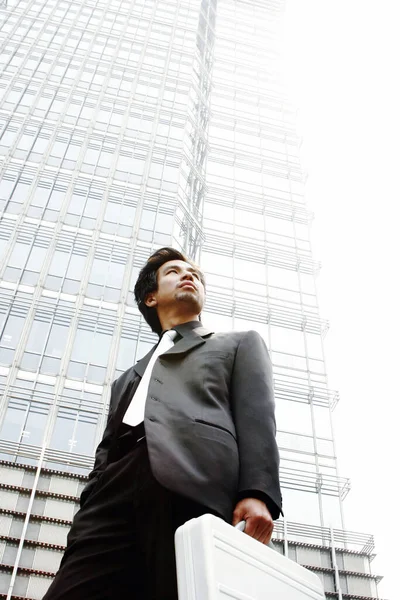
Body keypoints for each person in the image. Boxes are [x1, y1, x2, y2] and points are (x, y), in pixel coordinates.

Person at [43, 247, 282, 600]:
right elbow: (106, 448)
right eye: (173, 271)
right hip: (112, 496)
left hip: (194, 483)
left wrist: (257, 492)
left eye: (195, 274)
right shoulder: (125, 379)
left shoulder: (238, 344)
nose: (189, 276)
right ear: (151, 297)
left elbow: (257, 417)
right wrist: (89, 504)